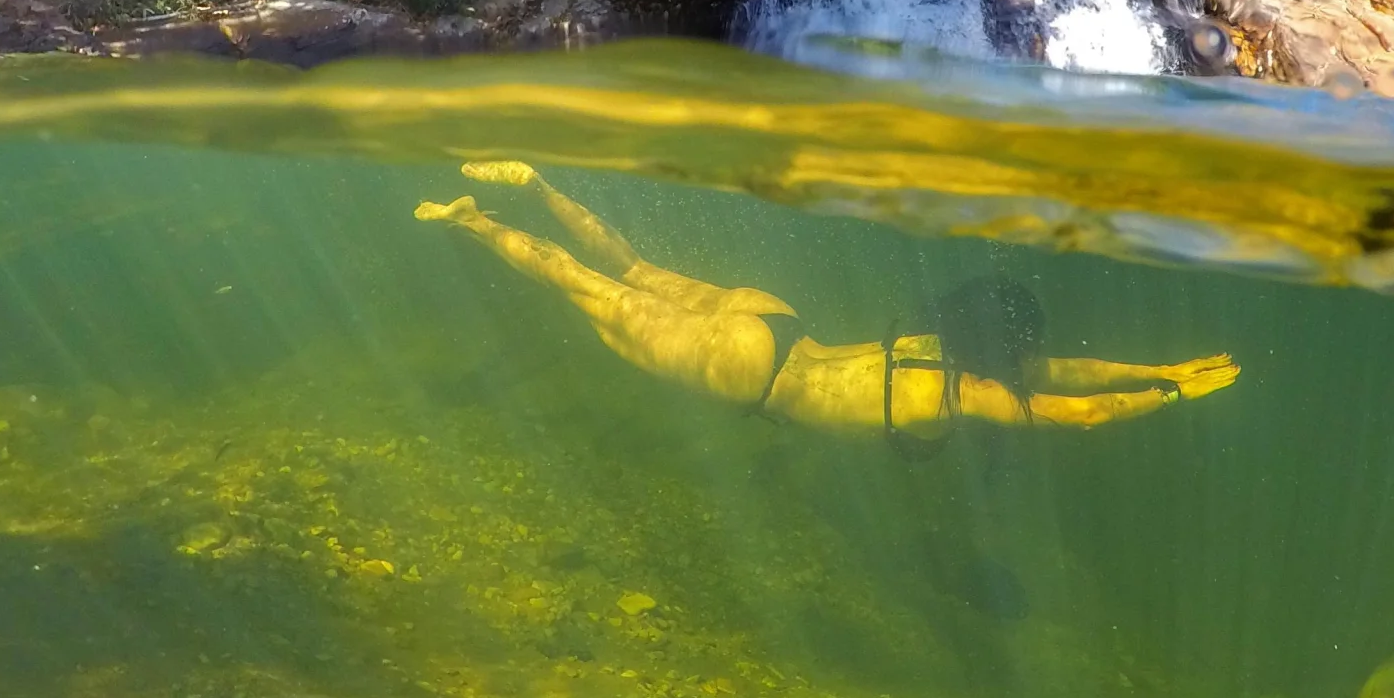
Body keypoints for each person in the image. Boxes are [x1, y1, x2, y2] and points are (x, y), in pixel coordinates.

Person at [415, 163, 1239, 438]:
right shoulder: (966, 388)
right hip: (752, 375)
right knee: (580, 289)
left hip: (776, 322)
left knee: (625, 267)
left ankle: (534, 184)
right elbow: (1076, 404)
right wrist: (1166, 392)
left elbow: (1065, 368)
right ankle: (472, 223)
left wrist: (1163, 367)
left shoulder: (934, 344)